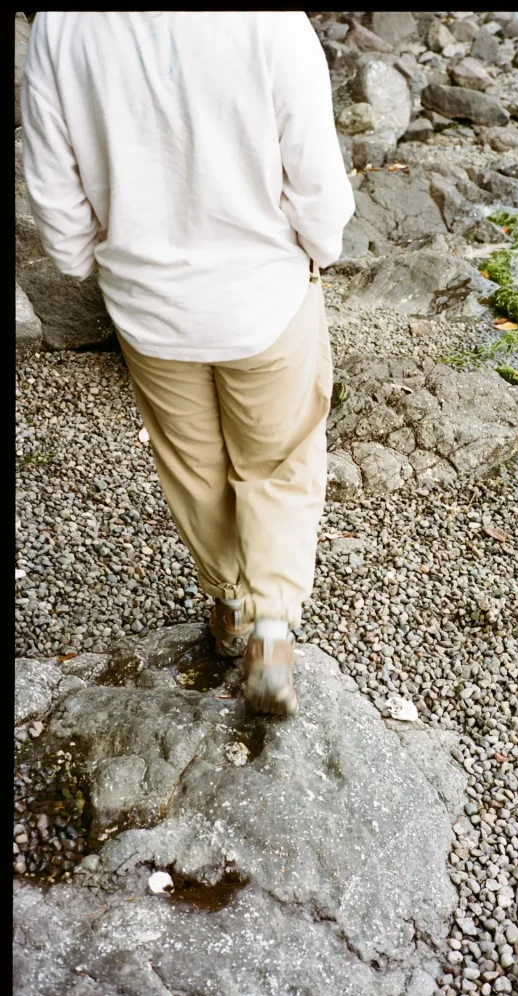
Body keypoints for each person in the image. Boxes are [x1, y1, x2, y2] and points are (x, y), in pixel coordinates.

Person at [21, 12, 355, 716]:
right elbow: (315, 170)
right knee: (280, 460)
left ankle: (229, 606)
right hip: (265, 295)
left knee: (194, 468)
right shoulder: (271, 21)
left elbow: (51, 180)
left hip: (148, 305)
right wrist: (318, 250)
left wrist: (86, 263)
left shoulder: (62, 26)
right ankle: (270, 628)